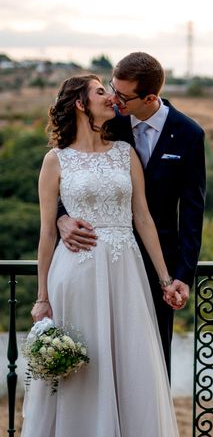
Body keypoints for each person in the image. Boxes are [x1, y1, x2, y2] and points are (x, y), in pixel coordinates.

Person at [22, 75, 179, 436]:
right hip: (75, 273)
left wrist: (165, 280)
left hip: (126, 273)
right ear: (80, 103)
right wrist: (42, 298)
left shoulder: (126, 153)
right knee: (82, 366)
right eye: (100, 91)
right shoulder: (55, 161)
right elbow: (46, 232)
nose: (110, 97)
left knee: (130, 362)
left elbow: (143, 218)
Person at [57, 52, 206, 373]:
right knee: (96, 351)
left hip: (158, 263)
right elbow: (70, 169)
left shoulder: (189, 134)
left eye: (122, 95)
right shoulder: (109, 120)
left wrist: (182, 275)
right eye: (111, 88)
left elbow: (193, 209)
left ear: (150, 97)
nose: (113, 98)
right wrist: (62, 217)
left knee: (151, 360)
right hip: (97, 258)